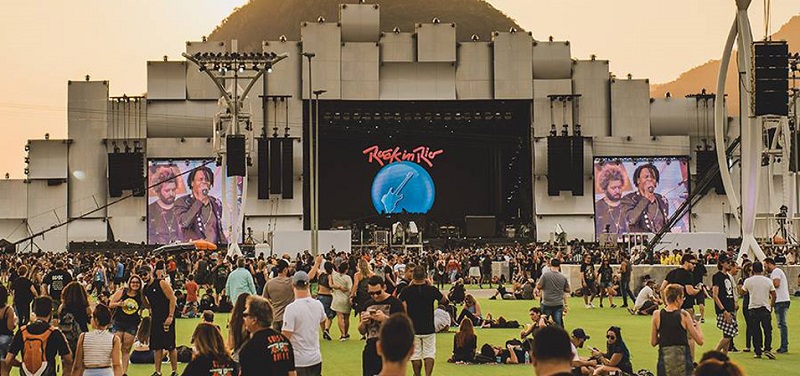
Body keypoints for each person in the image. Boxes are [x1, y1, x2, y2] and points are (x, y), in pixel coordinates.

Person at [4, 296, 72, 376]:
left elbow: (8, 359)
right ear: (51, 312)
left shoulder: (22, 331)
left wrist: (22, 365)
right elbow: (68, 359)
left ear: (34, 311)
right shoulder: (54, 332)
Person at [398, 265, 444, 376]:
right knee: (429, 353)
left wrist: (409, 285)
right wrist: (431, 285)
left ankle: (417, 374)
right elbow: (444, 300)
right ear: (425, 276)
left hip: (413, 326)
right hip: (428, 325)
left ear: (413, 276)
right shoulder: (431, 290)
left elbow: (398, 299)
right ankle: (428, 374)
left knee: (416, 354)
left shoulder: (407, 290)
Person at [651, 284, 704, 376]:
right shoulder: (684, 315)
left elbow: (653, 342)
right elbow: (700, 341)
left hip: (664, 361)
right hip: (682, 361)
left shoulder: (657, 315)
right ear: (678, 298)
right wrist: (698, 325)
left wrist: (666, 335)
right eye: (682, 297)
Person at [358, 275, 404, 376]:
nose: (375, 296)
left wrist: (385, 319)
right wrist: (363, 322)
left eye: (378, 292)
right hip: (371, 349)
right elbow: (362, 331)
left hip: (390, 349)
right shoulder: (367, 305)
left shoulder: (396, 303)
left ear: (384, 287)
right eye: (371, 293)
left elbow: (402, 329)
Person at [281, 271, 326, 376]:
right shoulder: (318, 305)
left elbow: (286, 337)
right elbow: (323, 320)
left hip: (299, 361)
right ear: (308, 285)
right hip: (315, 358)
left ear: (293, 286)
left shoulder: (291, 308)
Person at [238, 295, 295, 376]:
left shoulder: (250, 348)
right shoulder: (284, 340)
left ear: (254, 319)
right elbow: (292, 373)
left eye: (245, 314)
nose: (244, 318)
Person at [141, 264, 178, 376]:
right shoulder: (145, 289)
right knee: (157, 346)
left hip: (167, 317)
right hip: (155, 319)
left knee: (170, 345)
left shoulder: (161, 283)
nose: (143, 277)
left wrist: (170, 316)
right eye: (141, 275)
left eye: (145, 274)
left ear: (150, 273)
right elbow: (148, 306)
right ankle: (157, 371)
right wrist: (141, 295)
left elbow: (172, 298)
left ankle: (174, 371)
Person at [174, 166, 224, 243]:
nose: (204, 182)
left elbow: (218, 229)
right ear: (192, 183)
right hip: (192, 250)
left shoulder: (216, 203)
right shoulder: (182, 202)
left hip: (214, 250)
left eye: (207, 180)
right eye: (200, 180)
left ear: (210, 184)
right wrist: (199, 200)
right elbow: (184, 223)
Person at [70, 304, 122, 376]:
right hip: (106, 372)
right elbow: (116, 365)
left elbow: (77, 365)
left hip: (89, 372)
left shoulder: (83, 337)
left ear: (96, 320)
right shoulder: (114, 339)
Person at [109, 275, 146, 376]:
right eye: (133, 282)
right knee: (115, 347)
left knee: (126, 349)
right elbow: (111, 304)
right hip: (118, 322)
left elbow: (147, 305)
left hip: (132, 324)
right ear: (129, 283)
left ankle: (124, 372)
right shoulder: (123, 292)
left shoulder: (141, 295)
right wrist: (119, 304)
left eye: (137, 283)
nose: (135, 284)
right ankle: (114, 371)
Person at [619, 163, 669, 232]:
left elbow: (665, 225)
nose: (650, 179)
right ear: (638, 180)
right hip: (640, 242)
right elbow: (631, 220)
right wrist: (645, 198)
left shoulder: (661, 200)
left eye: (653, 177)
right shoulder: (628, 199)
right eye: (646, 177)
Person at [742, 261, 776, 359]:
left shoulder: (748, 281)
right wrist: (771, 305)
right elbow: (774, 294)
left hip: (753, 308)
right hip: (765, 307)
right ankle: (767, 348)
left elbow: (743, 292)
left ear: (752, 269)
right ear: (762, 269)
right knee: (768, 330)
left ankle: (758, 351)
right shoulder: (768, 280)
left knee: (755, 331)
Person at [711, 254, 738, 355]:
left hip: (730, 308)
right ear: (721, 263)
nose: (729, 264)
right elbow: (715, 295)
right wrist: (723, 311)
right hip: (724, 310)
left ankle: (724, 357)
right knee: (729, 335)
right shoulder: (717, 276)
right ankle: (714, 354)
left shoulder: (727, 276)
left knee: (728, 335)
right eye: (727, 262)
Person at [147, 170, 182, 244]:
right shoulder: (150, 210)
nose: (171, 193)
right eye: (167, 190)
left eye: (173, 190)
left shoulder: (181, 208)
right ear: (158, 190)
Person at [764, 257, 790, 353]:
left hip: (781, 300)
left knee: (782, 324)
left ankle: (784, 346)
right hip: (782, 300)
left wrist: (766, 283)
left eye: (765, 265)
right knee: (781, 324)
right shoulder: (776, 271)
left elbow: (776, 284)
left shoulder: (775, 271)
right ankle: (784, 345)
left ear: (770, 264)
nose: (765, 268)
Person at [536, 259, 570, 327]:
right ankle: (559, 336)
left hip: (547, 302)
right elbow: (568, 289)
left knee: (543, 322)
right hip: (558, 303)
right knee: (558, 323)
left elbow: (539, 286)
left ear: (550, 265)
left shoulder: (545, 275)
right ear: (559, 266)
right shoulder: (563, 277)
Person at [263, 260, 293, 331]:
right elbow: (307, 278)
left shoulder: (269, 283)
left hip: (275, 316)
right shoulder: (291, 281)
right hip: (288, 317)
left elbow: (264, 300)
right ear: (285, 270)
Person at [594, 166, 626, 235]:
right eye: (613, 188)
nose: (617, 191)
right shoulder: (597, 207)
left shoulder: (628, 205)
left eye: (619, 187)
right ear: (605, 188)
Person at [330, 263, 353, 341]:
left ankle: (342, 335)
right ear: (346, 269)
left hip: (337, 299)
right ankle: (346, 333)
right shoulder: (348, 278)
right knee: (346, 318)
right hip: (346, 299)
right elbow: (350, 289)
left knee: (339, 317)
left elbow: (331, 269)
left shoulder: (335, 276)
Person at [227, 293, 250, 362]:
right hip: (251, 357)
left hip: (237, 357)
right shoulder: (253, 321)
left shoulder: (233, 322)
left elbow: (231, 345)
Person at [316, 261, 335, 341]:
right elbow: (330, 285)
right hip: (327, 296)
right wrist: (338, 287)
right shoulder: (329, 276)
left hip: (319, 295)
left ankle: (323, 331)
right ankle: (327, 329)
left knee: (321, 315)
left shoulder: (321, 275)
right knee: (330, 315)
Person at [0, 285, 17, 376]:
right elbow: (10, 327)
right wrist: (15, 321)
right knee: (5, 370)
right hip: (5, 339)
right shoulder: (8, 310)